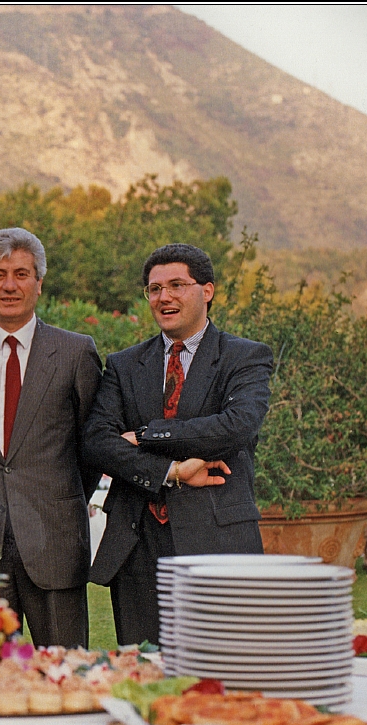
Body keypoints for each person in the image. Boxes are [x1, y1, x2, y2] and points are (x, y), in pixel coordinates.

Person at [83, 243, 273, 647]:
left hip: (219, 542)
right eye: (154, 289)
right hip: (137, 543)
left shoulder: (245, 357)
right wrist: (170, 472)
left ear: (208, 290)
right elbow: (97, 442)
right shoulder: (123, 365)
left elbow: (237, 426)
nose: (163, 297)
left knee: (225, 669)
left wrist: (149, 434)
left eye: (176, 285)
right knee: (144, 670)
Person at [0, 228, 102, 648]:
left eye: (22, 273)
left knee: (65, 669)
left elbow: (91, 447)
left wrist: (56, 497)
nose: (10, 285)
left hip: (55, 539)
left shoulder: (75, 353)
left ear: (39, 283)